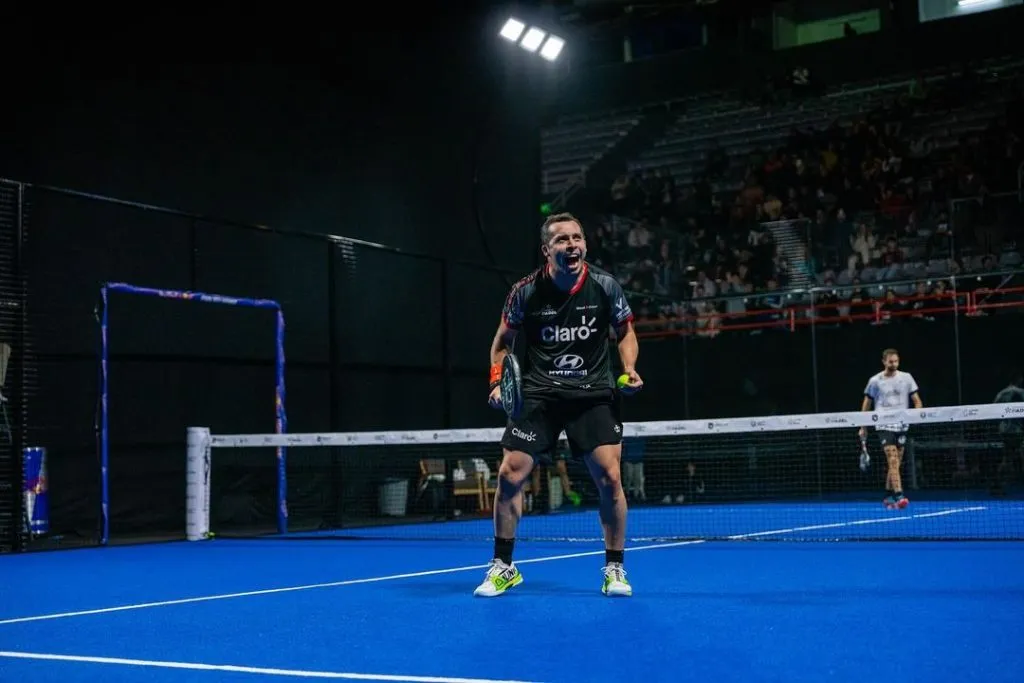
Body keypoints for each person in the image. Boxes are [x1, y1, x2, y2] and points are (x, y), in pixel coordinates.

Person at [475, 212, 642, 598]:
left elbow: (626, 332)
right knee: (509, 474)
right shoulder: (525, 292)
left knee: (610, 478)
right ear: (547, 250)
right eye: (562, 240)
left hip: (592, 392)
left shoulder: (604, 286)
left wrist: (629, 368)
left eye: (577, 238)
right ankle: (504, 566)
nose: (572, 245)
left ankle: (615, 568)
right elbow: (501, 343)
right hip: (539, 393)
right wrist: (498, 382)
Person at [859, 348, 923, 509]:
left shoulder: (907, 378)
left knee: (896, 463)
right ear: (884, 362)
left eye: (896, 361)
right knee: (892, 459)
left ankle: (887, 495)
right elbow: (867, 403)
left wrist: (916, 415)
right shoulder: (875, 381)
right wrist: (863, 425)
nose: (893, 364)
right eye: (890, 361)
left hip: (902, 425)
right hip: (883, 424)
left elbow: (917, 401)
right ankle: (900, 495)